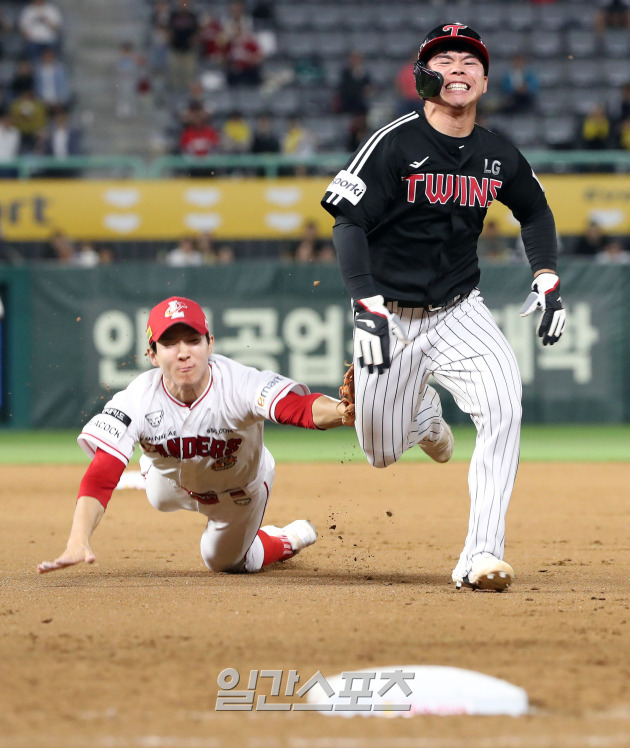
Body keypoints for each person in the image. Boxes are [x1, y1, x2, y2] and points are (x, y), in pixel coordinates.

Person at [321, 23, 566, 592]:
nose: (458, 67)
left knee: (504, 404)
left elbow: (535, 210)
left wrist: (547, 273)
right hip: (388, 311)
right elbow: (347, 221)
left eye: (469, 61)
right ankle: (426, 414)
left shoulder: (496, 152)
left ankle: (482, 554)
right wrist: (364, 299)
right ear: (424, 77)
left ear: (484, 79)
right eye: (445, 59)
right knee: (380, 451)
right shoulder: (393, 143)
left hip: (459, 309)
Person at [38, 296, 353, 575]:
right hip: (171, 483)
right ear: (152, 354)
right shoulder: (137, 398)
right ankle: (153, 470)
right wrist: (78, 540)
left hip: (237, 490)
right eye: (170, 344)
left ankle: (289, 537)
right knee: (158, 495)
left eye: (192, 340)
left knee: (225, 563)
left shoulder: (239, 384)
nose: (183, 353)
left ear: (210, 344)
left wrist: (343, 410)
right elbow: (102, 474)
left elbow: (297, 408)